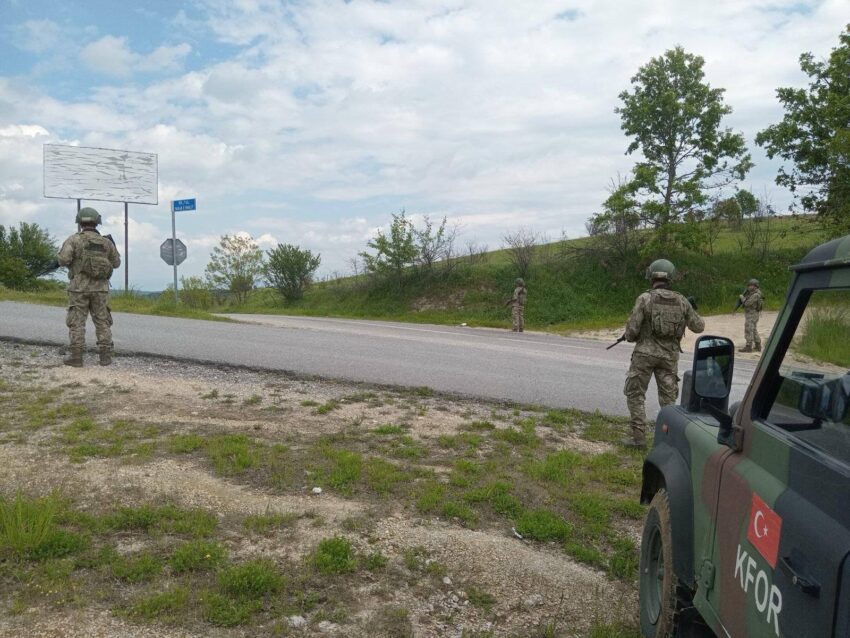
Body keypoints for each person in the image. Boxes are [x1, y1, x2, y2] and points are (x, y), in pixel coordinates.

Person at [622, 259, 704, 449]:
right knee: (668, 400)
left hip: (644, 356)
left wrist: (632, 335)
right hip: (669, 357)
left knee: (635, 394)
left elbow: (631, 332)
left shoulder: (645, 299)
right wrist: (691, 308)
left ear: (651, 276)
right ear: (671, 277)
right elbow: (699, 326)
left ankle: (639, 439)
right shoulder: (682, 301)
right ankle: (668, 440)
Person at [56, 207, 121, 367]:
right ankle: (105, 356)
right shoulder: (106, 243)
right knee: (102, 321)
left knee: (77, 321)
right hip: (100, 289)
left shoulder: (74, 240)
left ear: (80, 222)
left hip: (79, 289)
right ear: (97, 222)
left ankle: (76, 357)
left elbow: (63, 260)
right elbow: (116, 263)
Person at [738, 278, 764, 353]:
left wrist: (742, 298)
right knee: (753, 329)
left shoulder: (755, 295)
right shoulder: (754, 293)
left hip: (752, 314)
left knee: (748, 329)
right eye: (749, 285)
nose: (749, 287)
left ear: (755, 286)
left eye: (751, 285)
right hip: (753, 314)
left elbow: (747, 303)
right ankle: (758, 345)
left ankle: (748, 346)